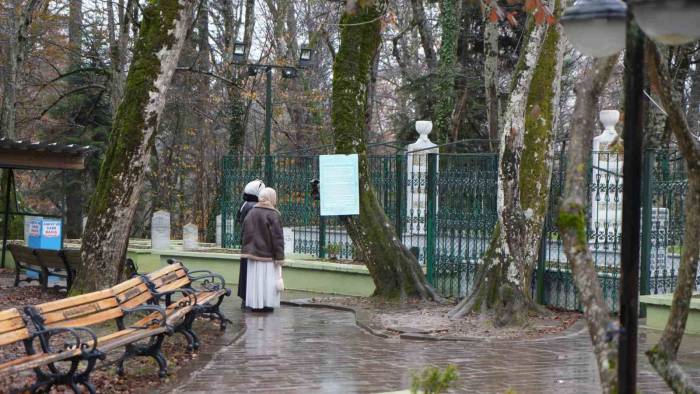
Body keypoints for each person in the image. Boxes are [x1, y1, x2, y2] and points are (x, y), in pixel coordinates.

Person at [241, 187, 284, 312]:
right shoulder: (273, 214)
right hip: (267, 256)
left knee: (255, 282)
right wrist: (280, 257)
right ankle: (266, 304)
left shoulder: (251, 212)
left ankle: (255, 304)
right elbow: (277, 238)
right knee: (267, 282)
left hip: (251, 255)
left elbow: (244, 232)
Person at [236, 179, 265, 309]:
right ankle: (250, 300)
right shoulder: (255, 206)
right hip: (254, 245)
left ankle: (245, 299)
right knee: (252, 273)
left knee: (245, 272)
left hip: (246, 244)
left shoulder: (245, 204)